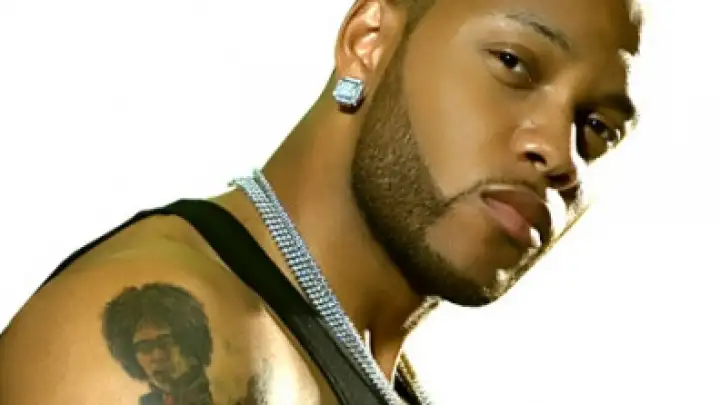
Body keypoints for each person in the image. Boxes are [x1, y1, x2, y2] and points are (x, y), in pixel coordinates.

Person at [0, 0, 644, 404]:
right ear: (369, 42)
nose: (558, 153)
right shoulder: (187, 336)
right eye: (513, 63)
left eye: (597, 127)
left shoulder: (360, 364)